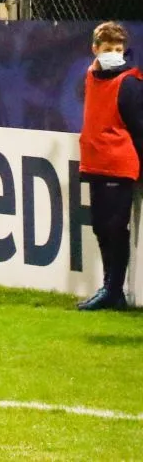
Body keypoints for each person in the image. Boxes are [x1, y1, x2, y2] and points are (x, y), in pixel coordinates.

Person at [78, 20, 143, 311]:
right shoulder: (92, 75)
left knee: (115, 227)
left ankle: (113, 290)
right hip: (95, 162)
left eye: (119, 49)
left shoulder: (129, 82)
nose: (114, 53)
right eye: (108, 49)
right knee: (101, 227)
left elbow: (139, 127)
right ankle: (110, 288)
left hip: (119, 163)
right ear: (95, 49)